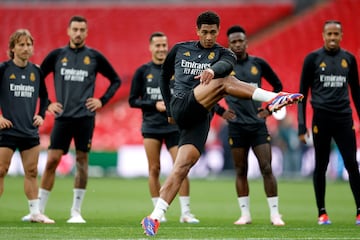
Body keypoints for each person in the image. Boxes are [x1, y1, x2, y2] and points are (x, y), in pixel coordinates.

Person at [141, 10, 303, 236]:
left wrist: (211, 69)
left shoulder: (224, 54)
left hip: (199, 118)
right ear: (197, 31)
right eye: (204, 32)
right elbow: (163, 75)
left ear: (218, 32)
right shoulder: (179, 49)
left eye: (213, 32)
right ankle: (274, 97)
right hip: (181, 103)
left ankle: (153, 218)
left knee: (182, 167)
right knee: (225, 83)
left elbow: (226, 65)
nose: (208, 37)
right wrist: (169, 107)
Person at [22, 15, 121, 223]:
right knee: (51, 161)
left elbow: (115, 80)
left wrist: (102, 100)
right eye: (74, 29)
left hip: (85, 118)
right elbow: (38, 77)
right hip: (63, 118)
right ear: (68, 31)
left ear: (86, 32)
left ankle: (76, 212)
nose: (78, 33)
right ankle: (38, 210)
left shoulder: (94, 57)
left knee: (82, 162)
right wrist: (48, 103)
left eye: (82, 30)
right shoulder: (58, 55)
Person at [129, 32, 199, 223]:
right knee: (154, 169)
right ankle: (157, 211)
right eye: (157, 45)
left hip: (174, 127)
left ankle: (186, 212)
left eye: (164, 45)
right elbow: (132, 100)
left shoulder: (178, 69)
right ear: (150, 48)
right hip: (151, 127)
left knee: (181, 167)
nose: (161, 49)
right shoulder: (143, 71)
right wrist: (154, 105)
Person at [297, 20, 360, 225]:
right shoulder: (313, 59)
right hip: (321, 119)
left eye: (336, 34)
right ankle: (322, 213)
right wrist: (301, 124)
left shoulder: (349, 59)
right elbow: (302, 93)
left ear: (341, 36)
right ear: (323, 35)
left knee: (352, 164)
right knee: (320, 166)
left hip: (344, 119)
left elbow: (356, 93)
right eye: (329, 34)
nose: (332, 38)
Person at [221, 25, 285, 226]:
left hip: (258, 125)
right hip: (236, 126)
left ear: (246, 42)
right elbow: (207, 90)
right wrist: (221, 111)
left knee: (266, 168)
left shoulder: (259, 64)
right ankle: (245, 214)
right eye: (234, 42)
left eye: (241, 40)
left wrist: (269, 109)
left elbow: (278, 87)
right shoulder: (223, 67)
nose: (238, 44)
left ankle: (275, 214)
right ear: (229, 45)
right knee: (240, 170)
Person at [0, 29, 54, 223]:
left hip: (29, 131)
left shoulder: (36, 71)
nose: (25, 48)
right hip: (7, 131)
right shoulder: (4, 69)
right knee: (1, 170)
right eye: (21, 44)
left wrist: (40, 115)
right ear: (12, 48)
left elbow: (45, 96)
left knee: (31, 171)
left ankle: (35, 213)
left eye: (28, 44)